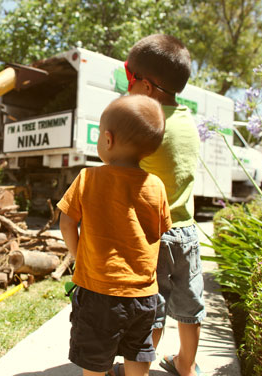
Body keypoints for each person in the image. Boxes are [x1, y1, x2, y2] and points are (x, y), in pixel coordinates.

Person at [58, 95, 172, 376]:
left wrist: (77, 255)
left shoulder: (88, 178)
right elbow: (159, 231)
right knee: (137, 357)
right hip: (144, 295)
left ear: (107, 140)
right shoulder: (155, 185)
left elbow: (66, 222)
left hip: (99, 292)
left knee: (95, 362)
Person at [117, 34, 204, 376]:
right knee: (189, 304)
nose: (127, 87)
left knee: (150, 306)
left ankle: (138, 368)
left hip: (152, 236)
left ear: (149, 87)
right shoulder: (187, 123)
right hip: (187, 234)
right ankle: (185, 364)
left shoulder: (146, 127)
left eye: (130, 78)